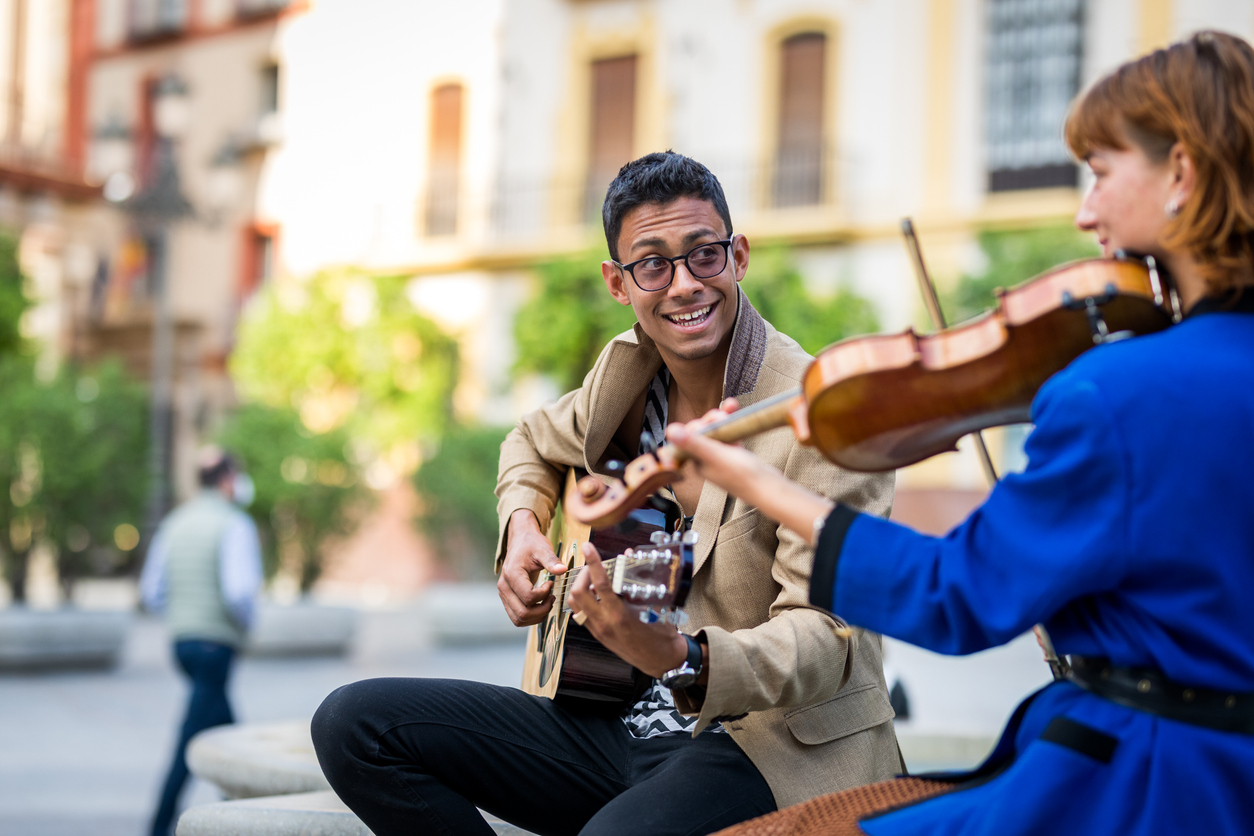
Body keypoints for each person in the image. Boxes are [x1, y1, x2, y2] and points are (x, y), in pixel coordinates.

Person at [666, 31, 1254, 836]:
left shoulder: (1117, 393)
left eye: (1103, 172)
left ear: (1181, 172)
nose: (1087, 211)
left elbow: (955, 600)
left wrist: (759, 483)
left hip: (1148, 791)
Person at [311, 151, 901, 836]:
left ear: (739, 255)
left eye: (703, 255)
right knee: (355, 724)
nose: (683, 285)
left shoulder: (820, 416)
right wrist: (524, 525)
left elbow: (828, 640)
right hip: (613, 720)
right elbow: (530, 439)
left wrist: (683, 657)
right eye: (652, 264)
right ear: (618, 283)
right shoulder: (626, 376)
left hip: (761, 743)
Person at [140, 447, 263, 836]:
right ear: (227, 480)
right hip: (216, 646)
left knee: (226, 729)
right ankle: (160, 824)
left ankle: (248, 808)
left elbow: (151, 591)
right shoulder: (234, 524)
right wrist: (246, 627)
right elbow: (239, 592)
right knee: (193, 737)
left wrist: (182, 617)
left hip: (182, 645)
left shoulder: (176, 522)